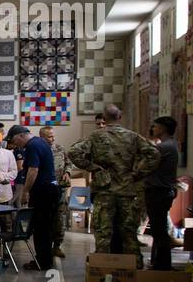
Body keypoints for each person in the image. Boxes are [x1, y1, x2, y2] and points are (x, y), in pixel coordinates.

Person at [67, 104, 161, 266]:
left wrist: (93, 167)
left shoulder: (96, 136)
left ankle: (103, 267)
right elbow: (154, 153)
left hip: (104, 191)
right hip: (127, 190)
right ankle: (134, 267)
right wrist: (138, 174)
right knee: (128, 231)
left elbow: (73, 151)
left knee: (104, 232)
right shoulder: (132, 136)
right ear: (120, 116)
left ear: (104, 118)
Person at [8, 125, 59, 271]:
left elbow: (33, 170)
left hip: (43, 191)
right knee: (45, 227)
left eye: (14, 140)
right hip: (50, 190)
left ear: (20, 136)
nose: (14, 144)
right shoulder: (40, 141)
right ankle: (46, 259)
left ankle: (42, 262)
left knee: (40, 228)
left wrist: (25, 191)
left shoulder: (31, 146)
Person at [144, 116, 180, 270]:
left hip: (158, 192)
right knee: (158, 230)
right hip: (161, 191)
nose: (153, 129)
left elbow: (144, 161)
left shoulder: (164, 147)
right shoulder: (168, 145)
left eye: (156, 126)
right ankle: (158, 261)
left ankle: (162, 265)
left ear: (164, 129)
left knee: (159, 231)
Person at [40, 126, 71, 258]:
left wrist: (68, 172)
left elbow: (69, 163)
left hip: (60, 189)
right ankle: (44, 248)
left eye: (53, 136)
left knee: (59, 218)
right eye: (49, 136)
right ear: (42, 137)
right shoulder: (38, 150)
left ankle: (57, 246)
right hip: (44, 190)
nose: (53, 139)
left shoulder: (60, 149)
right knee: (45, 219)